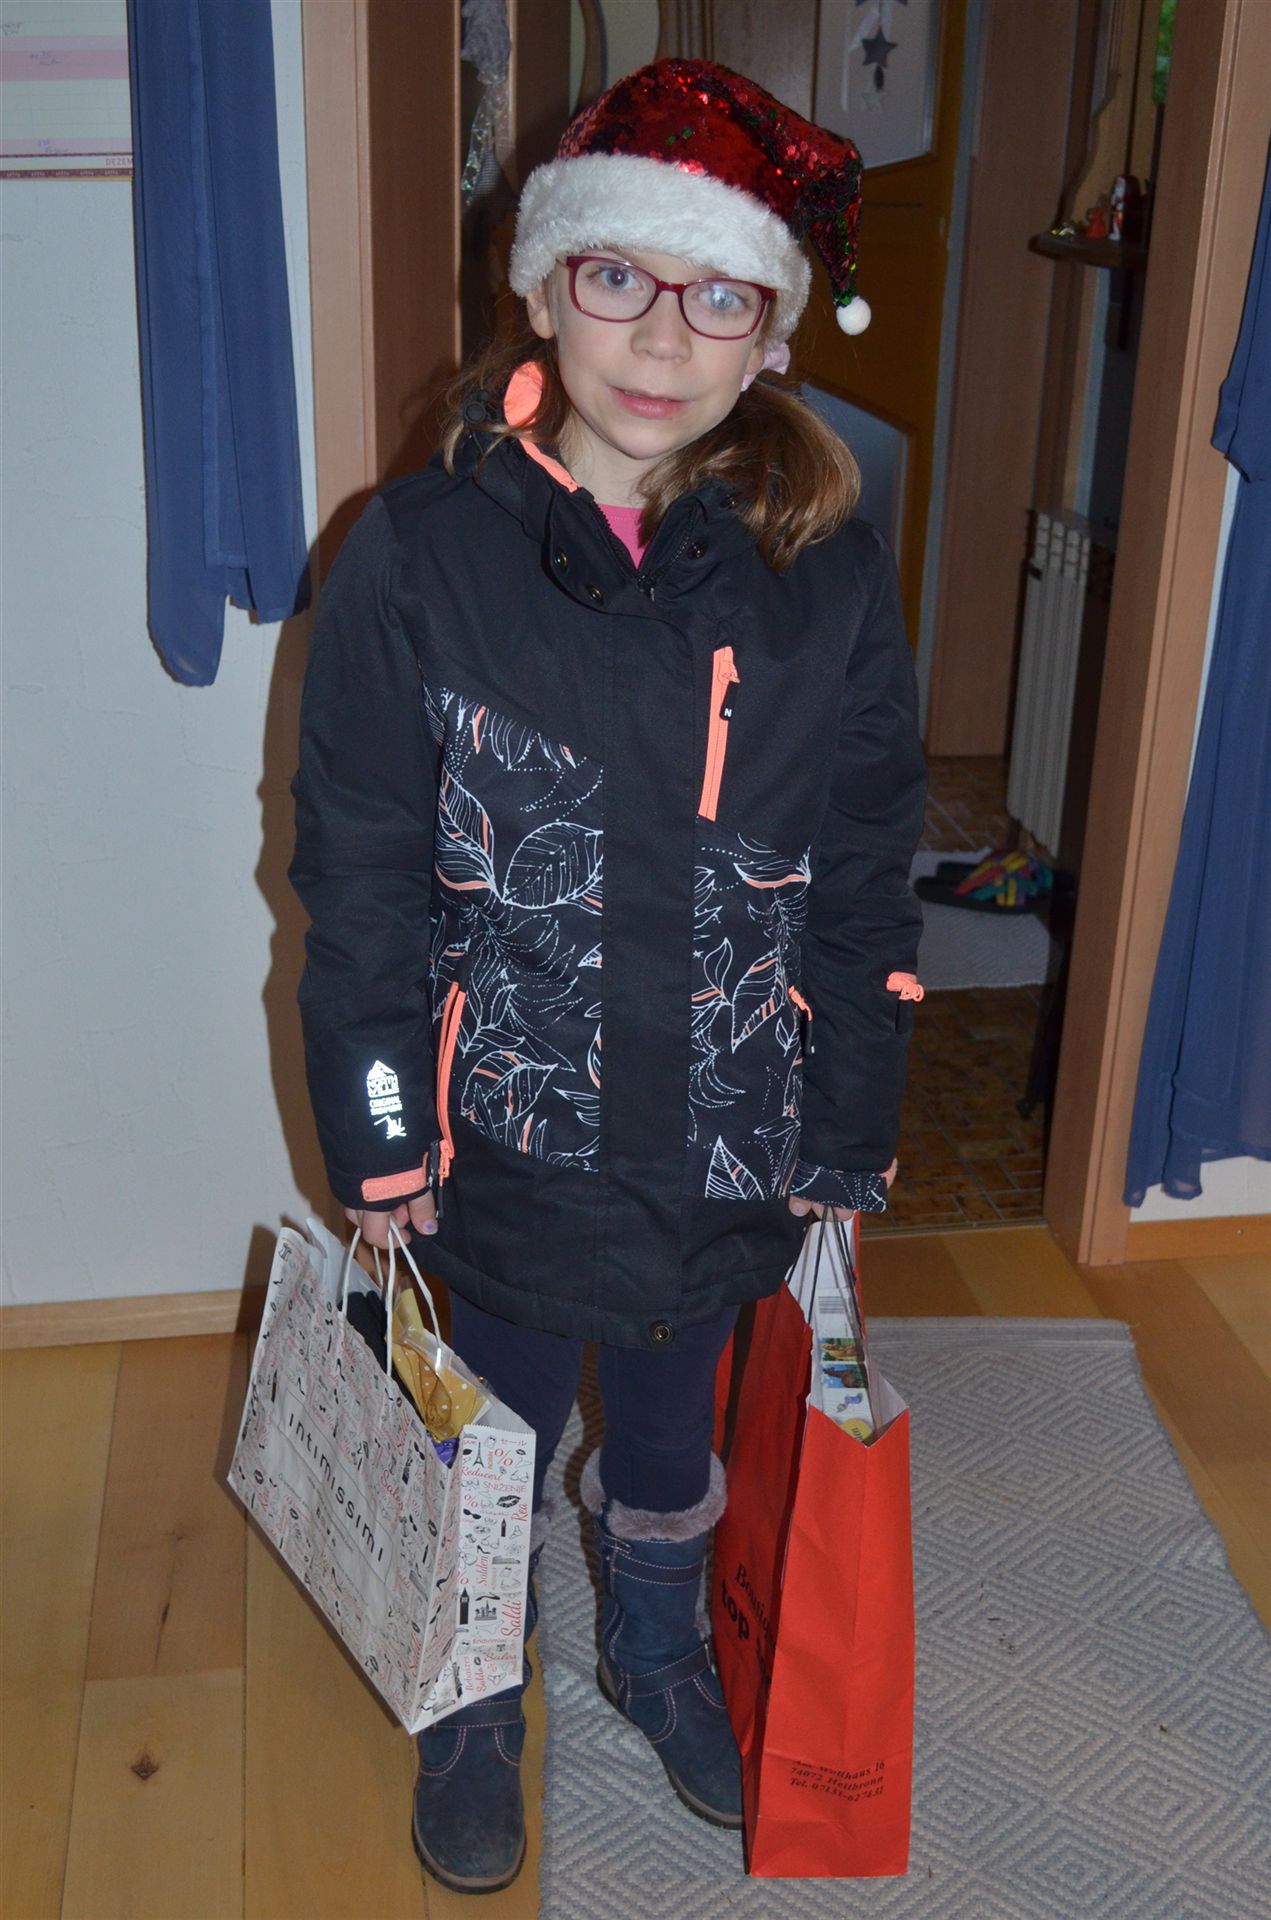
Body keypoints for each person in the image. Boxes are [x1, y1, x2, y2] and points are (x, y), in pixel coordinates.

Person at [290, 57, 926, 1896]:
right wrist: (381, 1132)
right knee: (493, 1425)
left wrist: (848, 1124)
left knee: (666, 1424)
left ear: (772, 333)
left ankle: (654, 1640)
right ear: (543, 284)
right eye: (619, 277)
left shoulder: (825, 575)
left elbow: (867, 874)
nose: (661, 336)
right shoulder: (418, 557)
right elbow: (357, 879)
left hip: (728, 1131)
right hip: (500, 1140)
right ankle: (478, 1682)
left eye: (718, 294)